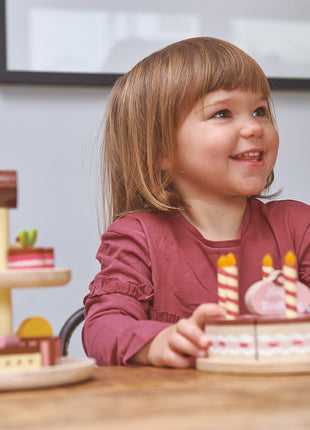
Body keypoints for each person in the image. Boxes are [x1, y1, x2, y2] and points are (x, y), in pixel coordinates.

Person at [82, 37, 310, 368]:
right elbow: (103, 326)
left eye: (259, 110)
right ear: (160, 150)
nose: (253, 127)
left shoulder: (297, 225)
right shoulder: (138, 237)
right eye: (222, 113)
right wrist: (155, 341)